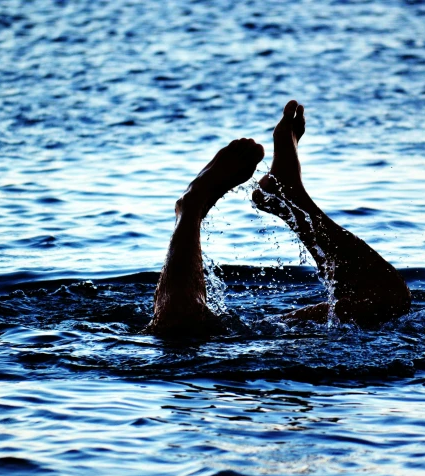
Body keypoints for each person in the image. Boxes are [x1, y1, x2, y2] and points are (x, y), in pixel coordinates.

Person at [148, 100, 411, 335]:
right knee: (180, 324)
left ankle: (288, 196)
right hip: (213, 356)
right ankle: (191, 206)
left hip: (238, 344)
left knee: (389, 300)